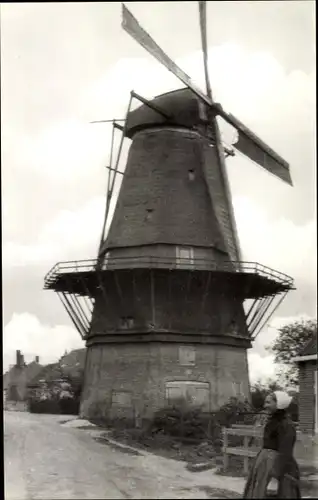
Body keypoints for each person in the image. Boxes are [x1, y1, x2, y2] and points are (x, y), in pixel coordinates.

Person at [243, 390, 301, 499]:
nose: (265, 406)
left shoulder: (286, 424)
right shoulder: (273, 421)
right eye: (265, 402)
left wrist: (275, 477)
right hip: (264, 463)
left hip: (276, 466)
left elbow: (285, 451)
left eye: (268, 402)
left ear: (278, 404)